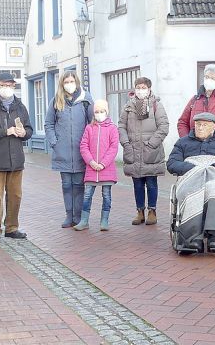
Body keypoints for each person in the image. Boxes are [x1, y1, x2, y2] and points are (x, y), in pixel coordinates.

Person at [167, 112, 215, 250]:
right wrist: (194, 168)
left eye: (204, 125)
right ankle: (194, 237)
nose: (200, 128)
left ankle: (213, 235)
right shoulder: (183, 142)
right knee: (191, 192)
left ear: (213, 127)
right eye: (197, 125)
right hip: (191, 177)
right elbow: (172, 163)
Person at [0, 72, 33, 243]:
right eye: (4, 85)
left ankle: (12, 227)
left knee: (15, 195)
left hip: (16, 159)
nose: (7, 88)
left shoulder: (20, 106)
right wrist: (5, 131)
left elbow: (29, 129)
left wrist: (24, 132)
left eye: (10, 85)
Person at [44, 71, 94, 228]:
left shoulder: (86, 99)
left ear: (76, 82)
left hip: (81, 152)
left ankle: (78, 216)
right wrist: (54, 142)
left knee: (79, 185)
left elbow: (92, 122)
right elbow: (49, 124)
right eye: (66, 82)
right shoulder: (56, 101)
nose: (69, 84)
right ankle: (69, 215)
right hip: (63, 151)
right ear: (62, 83)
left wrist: (89, 144)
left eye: (72, 81)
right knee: (66, 184)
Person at [118, 77, 169, 226]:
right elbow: (121, 126)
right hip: (133, 150)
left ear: (149, 89)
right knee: (137, 184)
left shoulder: (156, 105)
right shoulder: (128, 106)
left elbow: (163, 127)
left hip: (150, 151)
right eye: (138, 87)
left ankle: (152, 211)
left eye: (143, 87)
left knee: (151, 182)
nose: (140, 90)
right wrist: (126, 143)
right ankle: (139, 211)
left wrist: (151, 144)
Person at [75, 100, 119, 231]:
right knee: (87, 195)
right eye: (97, 112)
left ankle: (104, 220)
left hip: (107, 170)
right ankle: (84, 221)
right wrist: (92, 162)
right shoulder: (89, 128)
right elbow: (83, 146)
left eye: (102, 111)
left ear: (107, 112)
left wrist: (103, 163)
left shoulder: (112, 128)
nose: (99, 114)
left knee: (106, 195)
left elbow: (113, 147)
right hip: (91, 169)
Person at [176, 63, 215, 138]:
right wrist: (186, 140)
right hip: (195, 146)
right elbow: (182, 122)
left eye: (213, 78)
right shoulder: (195, 99)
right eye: (207, 77)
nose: (209, 80)